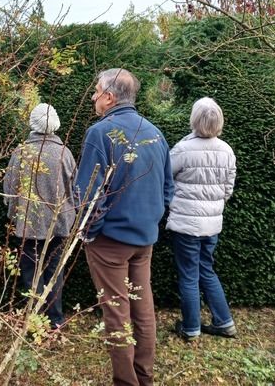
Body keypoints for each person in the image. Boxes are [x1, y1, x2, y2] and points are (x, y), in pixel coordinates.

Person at [75, 68, 174, 386]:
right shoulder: (155, 133)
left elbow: (87, 195)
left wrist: (90, 232)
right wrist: (150, 221)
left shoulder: (99, 133)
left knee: (116, 312)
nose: (93, 97)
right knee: (143, 309)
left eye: (96, 91)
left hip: (110, 242)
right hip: (144, 240)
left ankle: (126, 382)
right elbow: (168, 189)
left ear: (109, 96)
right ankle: (144, 378)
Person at [166, 97, 237, 342]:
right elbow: (228, 190)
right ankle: (224, 322)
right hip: (212, 224)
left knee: (188, 275)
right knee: (206, 269)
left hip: (185, 225)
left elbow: (165, 180)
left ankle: (191, 328)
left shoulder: (183, 149)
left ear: (194, 120)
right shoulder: (227, 150)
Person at [3, 103, 76, 329]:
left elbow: (8, 191)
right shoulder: (64, 153)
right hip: (59, 224)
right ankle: (55, 320)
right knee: (54, 273)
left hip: (27, 224)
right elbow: (75, 190)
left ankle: (32, 322)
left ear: (32, 124)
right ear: (55, 124)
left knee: (29, 271)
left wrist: (15, 215)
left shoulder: (20, 152)